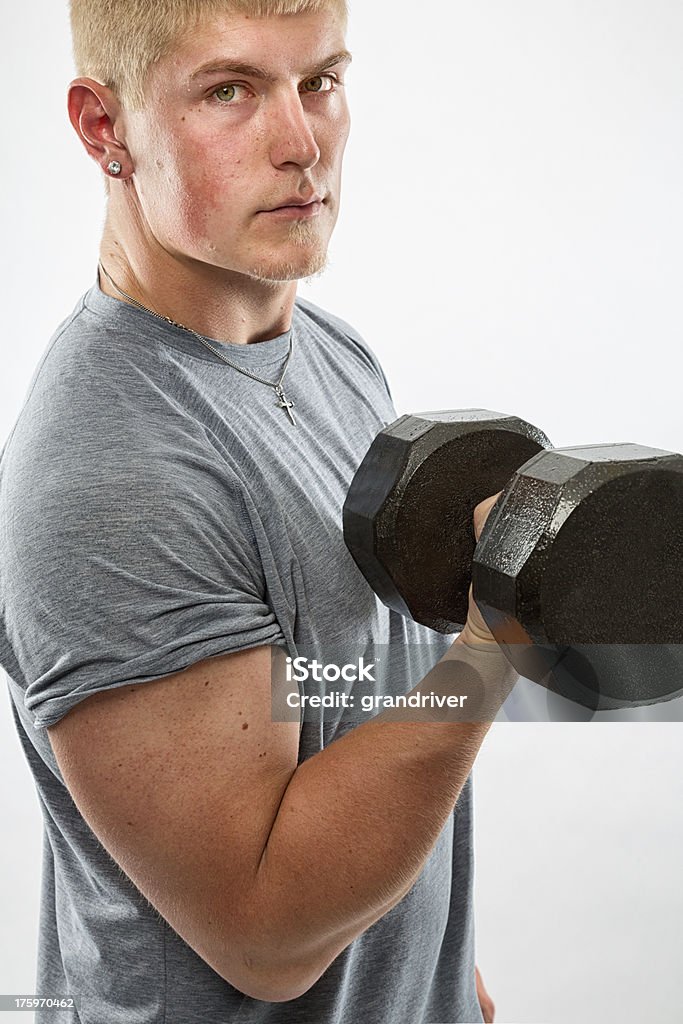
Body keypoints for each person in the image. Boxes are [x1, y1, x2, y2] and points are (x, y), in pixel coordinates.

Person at [0, 1, 514, 1021]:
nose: (300, 145)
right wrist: (500, 634)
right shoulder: (113, 473)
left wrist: (443, 977)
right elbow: (265, 929)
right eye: (228, 91)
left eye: (319, 81)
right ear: (106, 129)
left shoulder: (328, 351)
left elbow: (359, 696)